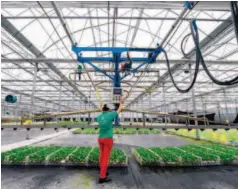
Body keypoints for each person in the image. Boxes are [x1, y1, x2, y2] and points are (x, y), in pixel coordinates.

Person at [96, 99, 124, 184]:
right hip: (107, 139)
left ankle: (102, 170)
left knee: (101, 155)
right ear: (108, 109)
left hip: (100, 138)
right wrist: (121, 103)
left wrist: (103, 109)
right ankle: (102, 177)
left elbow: (102, 112)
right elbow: (119, 110)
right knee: (105, 158)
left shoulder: (99, 117)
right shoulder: (110, 115)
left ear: (102, 109)